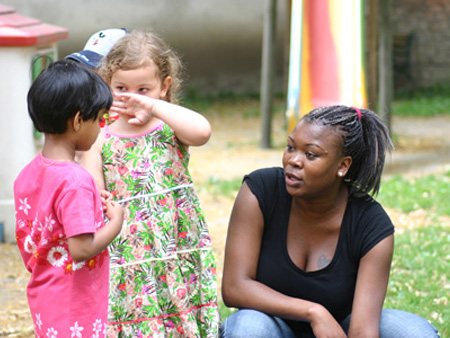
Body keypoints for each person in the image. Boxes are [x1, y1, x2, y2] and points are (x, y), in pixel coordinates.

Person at [220, 105, 440, 338]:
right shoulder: (261, 191)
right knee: (248, 327)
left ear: (343, 166)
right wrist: (313, 312)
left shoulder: (371, 225)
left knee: (414, 332)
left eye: (311, 154)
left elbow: (363, 331)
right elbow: (235, 287)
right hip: (270, 328)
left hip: (339, 332)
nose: (293, 160)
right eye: (290, 147)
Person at [82, 29, 220, 337]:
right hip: (128, 245)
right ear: (107, 84)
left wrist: (154, 106)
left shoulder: (169, 123)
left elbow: (202, 132)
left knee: (178, 302)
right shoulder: (100, 131)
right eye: (121, 88)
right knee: (138, 311)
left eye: (143, 89)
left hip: (175, 238)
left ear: (164, 86)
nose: (131, 97)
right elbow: (93, 183)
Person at [14, 59, 124, 337]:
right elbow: (81, 249)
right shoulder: (75, 180)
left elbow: (49, 225)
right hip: (76, 303)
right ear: (77, 120)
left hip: (46, 295)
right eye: (99, 119)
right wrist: (116, 222)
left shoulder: (30, 172)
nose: (101, 127)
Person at [66, 27, 129, 127]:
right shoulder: (84, 109)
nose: (87, 76)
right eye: (85, 67)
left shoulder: (131, 116)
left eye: (97, 72)